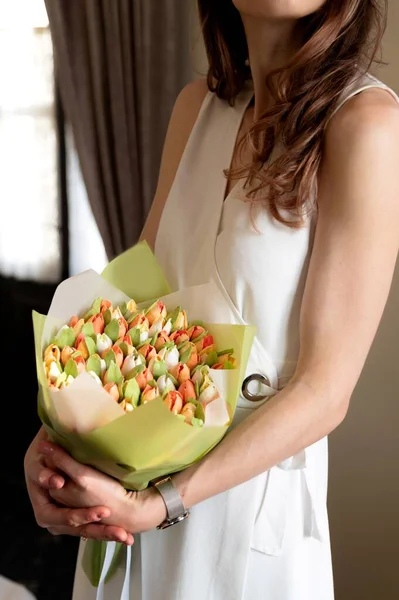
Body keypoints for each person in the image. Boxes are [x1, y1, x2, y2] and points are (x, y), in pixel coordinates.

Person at [24, 1, 399, 599]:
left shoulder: (365, 121)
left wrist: (163, 502)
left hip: (247, 513)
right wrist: (55, 445)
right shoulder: (197, 107)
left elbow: (325, 391)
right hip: (129, 492)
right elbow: (130, 314)